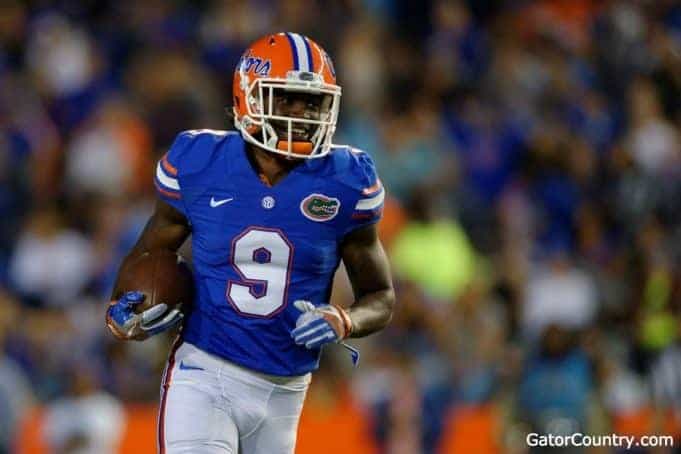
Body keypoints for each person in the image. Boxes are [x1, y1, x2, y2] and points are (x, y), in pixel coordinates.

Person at [105, 32, 395, 454]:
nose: (303, 112)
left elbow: (381, 297)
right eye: (289, 99)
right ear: (251, 98)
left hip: (287, 391)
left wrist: (344, 320)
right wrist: (123, 309)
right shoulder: (200, 162)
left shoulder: (346, 181)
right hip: (205, 373)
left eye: (312, 102)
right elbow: (150, 255)